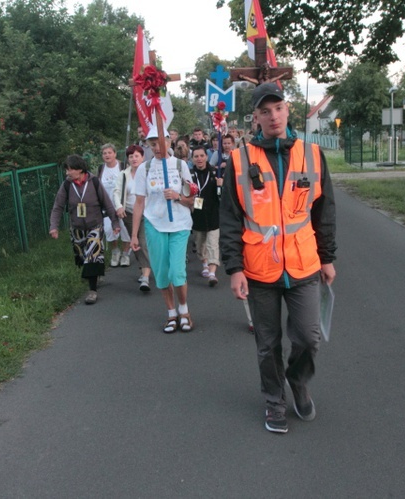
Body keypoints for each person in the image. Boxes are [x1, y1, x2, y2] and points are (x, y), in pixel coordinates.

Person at [219, 82, 337, 434]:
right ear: (255, 117)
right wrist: (234, 267)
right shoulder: (239, 160)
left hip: (304, 264)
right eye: (265, 111)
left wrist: (328, 257)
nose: (274, 116)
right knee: (267, 344)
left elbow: (324, 210)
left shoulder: (312, 155)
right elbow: (230, 217)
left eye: (279, 108)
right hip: (260, 268)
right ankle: (274, 400)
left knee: (308, 337)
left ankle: (298, 381)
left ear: (288, 110)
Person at [131, 126, 197, 333]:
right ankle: (171, 313)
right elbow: (139, 203)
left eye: (160, 142)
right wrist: (133, 234)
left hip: (179, 224)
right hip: (154, 225)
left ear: (169, 142)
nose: (157, 148)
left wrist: (177, 197)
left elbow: (193, 199)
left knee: (177, 271)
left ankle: (184, 310)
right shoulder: (145, 168)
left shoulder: (180, 165)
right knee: (161, 274)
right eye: (152, 144)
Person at [50, 154, 120, 305]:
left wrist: (115, 223)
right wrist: (53, 227)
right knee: (82, 256)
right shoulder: (67, 185)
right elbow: (58, 207)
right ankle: (95, 274)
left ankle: (92, 291)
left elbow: (107, 203)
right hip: (77, 228)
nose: (67, 173)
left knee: (92, 256)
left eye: (70, 170)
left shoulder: (94, 182)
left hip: (95, 225)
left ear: (79, 169)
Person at [114, 145, 153, 292]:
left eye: (137, 156)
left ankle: (146, 276)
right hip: (129, 214)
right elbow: (116, 192)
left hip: (148, 213)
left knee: (142, 242)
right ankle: (145, 268)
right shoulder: (123, 175)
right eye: (131, 156)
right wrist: (119, 206)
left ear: (142, 157)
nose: (134, 159)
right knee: (135, 243)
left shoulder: (149, 173)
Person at [190, 144, 222, 286]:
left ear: (207, 157)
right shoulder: (190, 175)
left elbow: (222, 195)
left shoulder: (215, 173)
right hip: (197, 215)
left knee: (213, 244)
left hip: (213, 213)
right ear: (192, 159)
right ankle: (204, 263)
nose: (199, 159)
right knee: (200, 243)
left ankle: (212, 273)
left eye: (202, 156)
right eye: (196, 156)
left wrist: (220, 185)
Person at [98, 144, 132, 267]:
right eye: (104, 153)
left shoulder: (123, 166)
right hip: (107, 206)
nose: (107, 155)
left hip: (122, 205)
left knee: (125, 230)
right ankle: (115, 251)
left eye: (109, 152)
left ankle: (125, 254)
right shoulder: (101, 169)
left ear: (115, 154)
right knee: (109, 230)